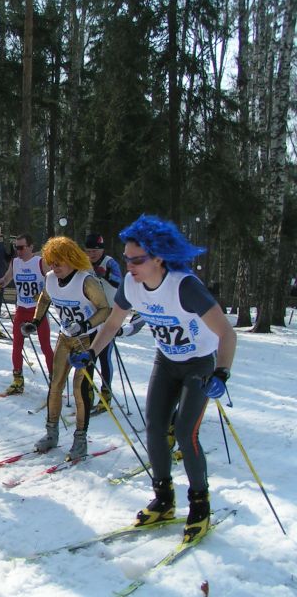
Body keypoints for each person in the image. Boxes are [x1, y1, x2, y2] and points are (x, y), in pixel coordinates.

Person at [70, 215, 236, 543]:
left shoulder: (184, 287)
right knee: (155, 428)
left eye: (137, 259)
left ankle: (199, 505)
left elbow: (227, 334)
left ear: (158, 257)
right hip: (167, 361)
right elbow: (114, 324)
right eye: (127, 258)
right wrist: (91, 352)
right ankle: (164, 499)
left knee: (186, 432)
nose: (130, 265)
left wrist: (222, 372)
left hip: (199, 364)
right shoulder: (131, 285)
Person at [20, 236, 110, 460]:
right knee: (55, 385)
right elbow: (44, 298)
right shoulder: (50, 279)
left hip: (87, 340)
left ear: (71, 259)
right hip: (65, 337)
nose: (54, 267)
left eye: (59, 262)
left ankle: (80, 439)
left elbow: (105, 309)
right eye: (51, 262)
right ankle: (51, 434)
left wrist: (85, 325)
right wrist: (35, 321)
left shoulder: (85, 281)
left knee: (80, 389)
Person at [0, 234, 53, 393]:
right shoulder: (15, 262)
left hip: (38, 311)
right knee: (16, 345)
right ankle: (18, 380)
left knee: (46, 346)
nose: (18, 251)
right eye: (15, 247)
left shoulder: (40, 262)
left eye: (21, 247)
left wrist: (43, 294)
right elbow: (7, 279)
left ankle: (55, 381)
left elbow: (53, 283)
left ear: (31, 247)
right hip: (21, 309)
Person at [85, 233, 124, 413]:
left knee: (103, 356)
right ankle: (88, 392)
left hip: (108, 314)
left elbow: (120, 282)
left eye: (95, 251)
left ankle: (106, 394)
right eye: (89, 251)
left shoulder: (109, 262)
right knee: (88, 354)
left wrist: (107, 274)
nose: (92, 254)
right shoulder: (84, 262)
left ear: (101, 250)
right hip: (91, 314)